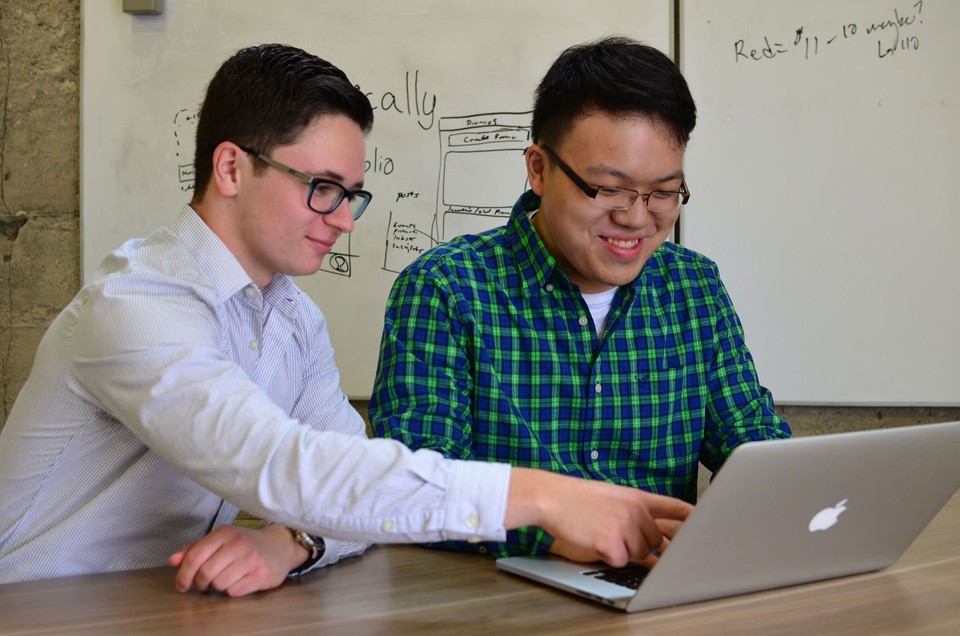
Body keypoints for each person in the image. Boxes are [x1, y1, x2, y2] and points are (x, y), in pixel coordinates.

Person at [0, 43, 693, 597]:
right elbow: (284, 467)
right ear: (232, 168)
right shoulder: (137, 305)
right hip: (38, 610)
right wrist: (542, 497)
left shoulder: (293, 320)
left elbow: (352, 489)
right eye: (323, 189)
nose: (342, 221)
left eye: (351, 196)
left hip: (161, 605)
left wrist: (294, 541)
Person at [370, 36, 791, 564]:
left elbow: (751, 442)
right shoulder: (446, 290)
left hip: (654, 591)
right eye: (608, 189)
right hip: (491, 597)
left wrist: (798, 494)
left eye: (663, 193)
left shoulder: (694, 288)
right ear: (539, 169)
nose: (637, 218)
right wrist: (548, 531)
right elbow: (414, 488)